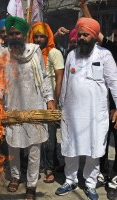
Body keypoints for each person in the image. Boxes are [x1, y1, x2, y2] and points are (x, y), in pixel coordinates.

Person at [55, 17, 117, 200]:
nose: (81, 38)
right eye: (79, 34)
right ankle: (70, 179)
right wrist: (62, 106)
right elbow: (66, 82)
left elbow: (114, 83)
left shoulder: (104, 55)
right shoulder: (72, 55)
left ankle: (90, 184)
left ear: (94, 36)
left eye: (85, 35)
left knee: (94, 148)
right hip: (72, 112)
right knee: (70, 147)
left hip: (95, 114)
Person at [4, 16, 55, 200]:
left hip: (34, 104)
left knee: (34, 147)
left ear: (25, 34)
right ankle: (15, 177)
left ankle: (32, 184)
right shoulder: (5, 54)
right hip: (13, 105)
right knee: (13, 145)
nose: (15, 36)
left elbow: (44, 76)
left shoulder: (35, 52)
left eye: (17, 33)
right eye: (11, 33)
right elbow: (0, 82)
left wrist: (49, 99)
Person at [29, 22, 65, 183]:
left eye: (42, 36)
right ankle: (38, 167)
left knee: (50, 138)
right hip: (34, 100)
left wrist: (55, 101)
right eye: (36, 36)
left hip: (50, 100)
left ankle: (50, 168)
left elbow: (59, 79)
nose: (38, 39)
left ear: (48, 36)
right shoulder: (29, 54)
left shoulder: (54, 53)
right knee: (36, 137)